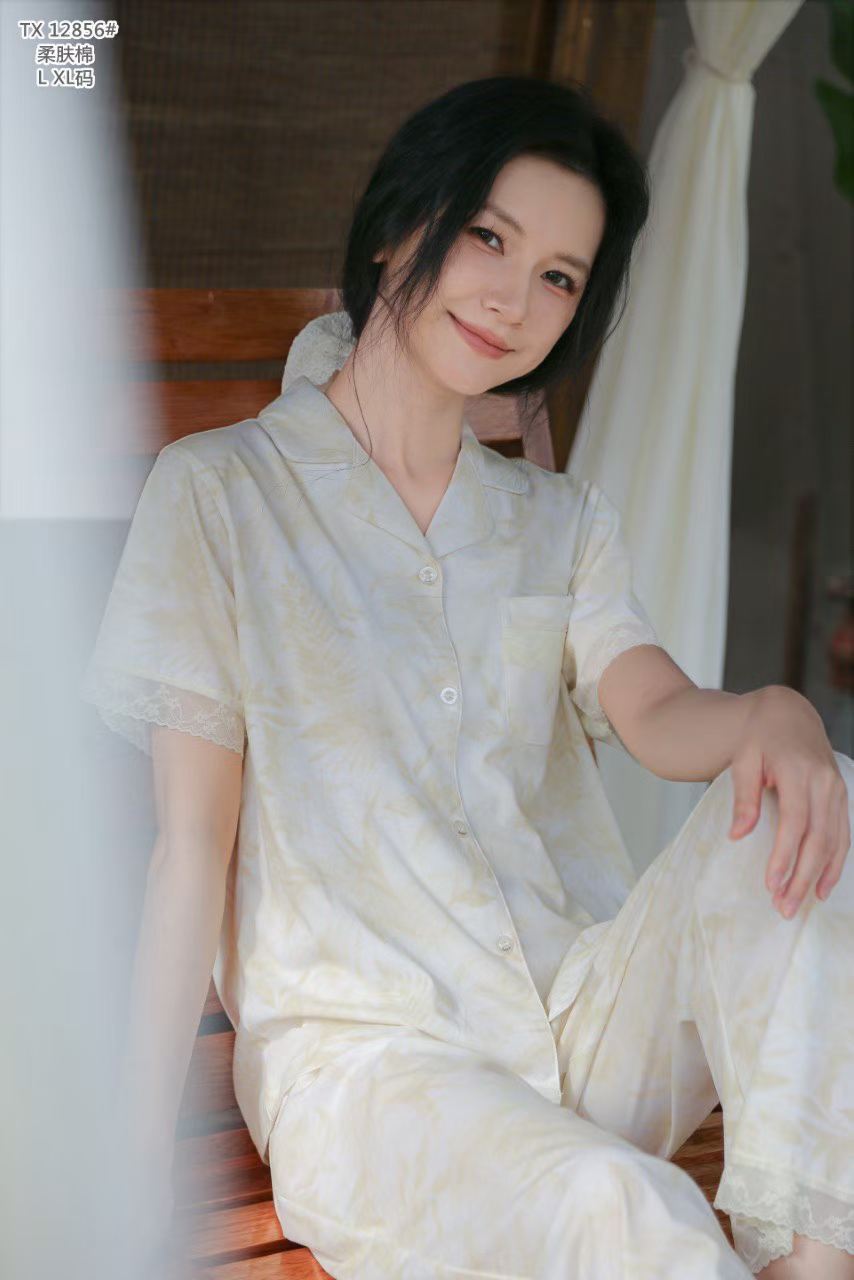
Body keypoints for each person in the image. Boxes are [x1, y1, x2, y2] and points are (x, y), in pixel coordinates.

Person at [80, 75, 853, 1279]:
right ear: (400, 225)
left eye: (558, 276)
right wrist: (121, 1170)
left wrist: (777, 711)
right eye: (488, 236)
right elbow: (189, 848)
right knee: (631, 1212)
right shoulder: (220, 495)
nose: (512, 298)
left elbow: (654, 709)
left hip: (573, 1032)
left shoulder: (558, 521)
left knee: (820, 791)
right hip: (374, 1076)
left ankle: (812, 1256)